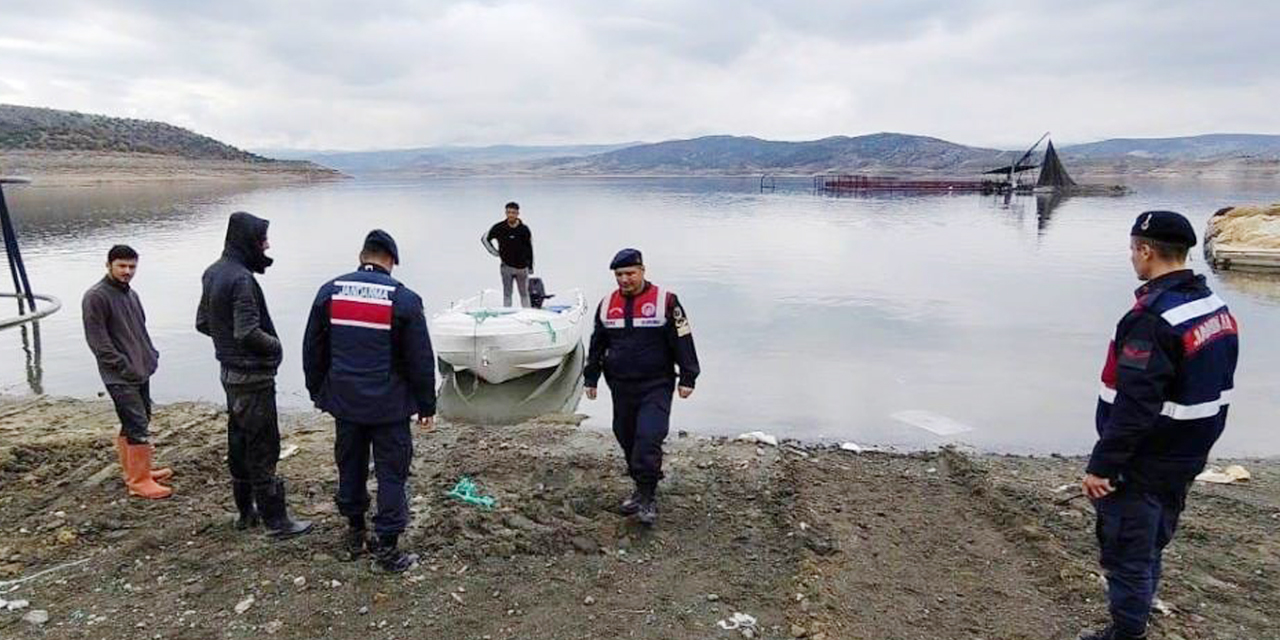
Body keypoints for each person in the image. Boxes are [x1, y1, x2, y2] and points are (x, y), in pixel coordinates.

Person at [1079, 211, 1238, 640]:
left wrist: (1103, 466)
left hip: (1144, 461)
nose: (1132, 258)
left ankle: (1126, 633)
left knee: (1126, 552)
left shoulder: (1151, 319)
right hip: (1184, 456)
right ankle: (1136, 616)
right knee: (1150, 544)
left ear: (1146, 251)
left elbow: (1135, 404)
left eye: (1133, 249)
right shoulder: (1212, 307)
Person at [303, 229, 437, 572]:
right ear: (390, 260)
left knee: (350, 465)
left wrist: (319, 392)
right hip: (389, 407)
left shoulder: (329, 292)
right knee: (392, 473)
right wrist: (426, 406)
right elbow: (420, 359)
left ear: (362, 256)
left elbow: (313, 349)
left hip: (345, 403)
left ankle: (355, 532)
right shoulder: (403, 299)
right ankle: (388, 550)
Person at [197, 211, 312, 539]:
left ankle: (245, 513)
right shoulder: (242, 280)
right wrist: (275, 347)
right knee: (263, 445)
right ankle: (277, 521)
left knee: (239, 439)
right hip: (253, 378)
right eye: (263, 240)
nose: (267, 245)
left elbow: (203, 323)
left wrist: (226, 348)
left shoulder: (213, 273)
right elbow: (248, 331)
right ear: (249, 241)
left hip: (230, 375)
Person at [583, 248, 700, 526]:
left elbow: (683, 338)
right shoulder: (606, 304)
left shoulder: (666, 301)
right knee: (625, 435)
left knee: (648, 437)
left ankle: (648, 497)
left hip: (656, 383)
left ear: (643, 270)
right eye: (619, 275)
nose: (624, 279)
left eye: (630, 274)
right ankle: (640, 485)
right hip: (621, 384)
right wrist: (591, 377)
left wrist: (688, 376)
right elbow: (598, 342)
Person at [82, 244, 171, 499]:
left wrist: (151, 355)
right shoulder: (96, 296)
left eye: (132, 266)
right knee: (137, 424)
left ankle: (136, 471)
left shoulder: (130, 294)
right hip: (119, 375)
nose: (127, 271)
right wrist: (124, 366)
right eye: (122, 266)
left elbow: (140, 330)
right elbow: (98, 342)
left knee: (138, 419)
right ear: (108, 265)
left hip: (139, 369)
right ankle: (138, 481)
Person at [482, 201, 534, 307]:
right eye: (508, 212)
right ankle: (507, 317)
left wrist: (530, 266)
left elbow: (529, 248)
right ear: (505, 213)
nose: (511, 215)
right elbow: (485, 239)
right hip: (506, 267)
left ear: (518, 214)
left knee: (524, 294)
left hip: (522, 268)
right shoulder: (499, 227)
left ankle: (528, 316)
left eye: (513, 213)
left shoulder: (524, 229)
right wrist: (495, 252)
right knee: (507, 294)